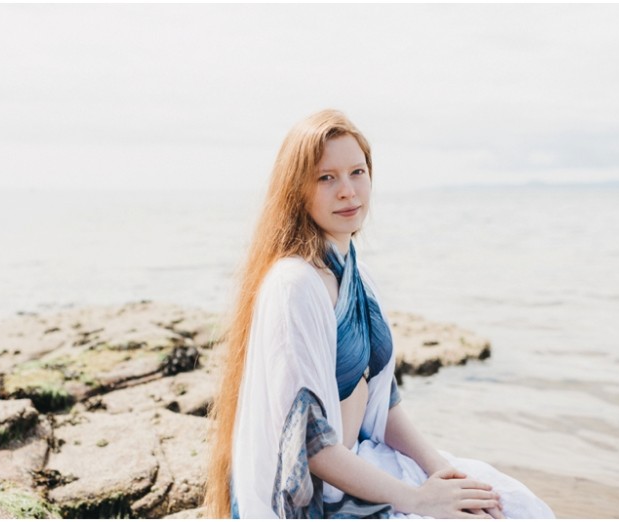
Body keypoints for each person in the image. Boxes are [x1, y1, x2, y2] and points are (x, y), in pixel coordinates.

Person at [204, 109, 554, 519]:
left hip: (364, 462)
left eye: (357, 172)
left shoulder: (358, 274)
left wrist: (441, 471)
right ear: (296, 190)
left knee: (513, 505)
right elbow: (307, 446)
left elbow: (383, 403)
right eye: (326, 177)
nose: (348, 191)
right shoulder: (294, 285)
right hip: (320, 496)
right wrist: (417, 500)